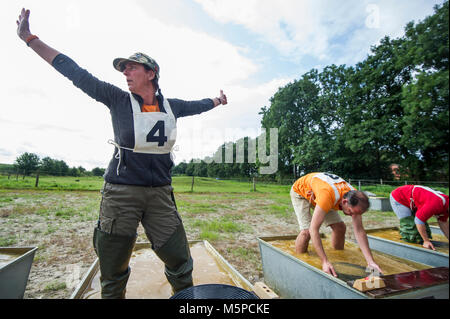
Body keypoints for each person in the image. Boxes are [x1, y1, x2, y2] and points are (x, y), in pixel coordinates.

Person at [16, 8, 228, 298]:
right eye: (123, 69)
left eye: (132, 67)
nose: (125, 73)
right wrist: (30, 38)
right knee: (113, 271)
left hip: (160, 194)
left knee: (180, 262)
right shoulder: (116, 99)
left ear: (151, 73)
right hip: (121, 194)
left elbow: (199, 104)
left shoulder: (173, 106)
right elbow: (75, 72)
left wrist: (218, 100)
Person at [290, 172, 383, 277]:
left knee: (340, 227)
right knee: (306, 232)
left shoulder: (355, 198)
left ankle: (337, 256)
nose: (353, 216)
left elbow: (359, 231)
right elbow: (314, 229)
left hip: (322, 193)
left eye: (357, 214)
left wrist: (370, 261)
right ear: (344, 202)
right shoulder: (327, 196)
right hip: (301, 192)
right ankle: (299, 260)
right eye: (352, 212)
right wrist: (324, 261)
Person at [390, 185, 449, 250]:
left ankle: (422, 241)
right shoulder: (436, 203)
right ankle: (406, 247)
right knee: (409, 227)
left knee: (424, 229)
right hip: (399, 197)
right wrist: (426, 241)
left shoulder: (446, 207)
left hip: (415, 199)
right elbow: (418, 220)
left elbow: (443, 223)